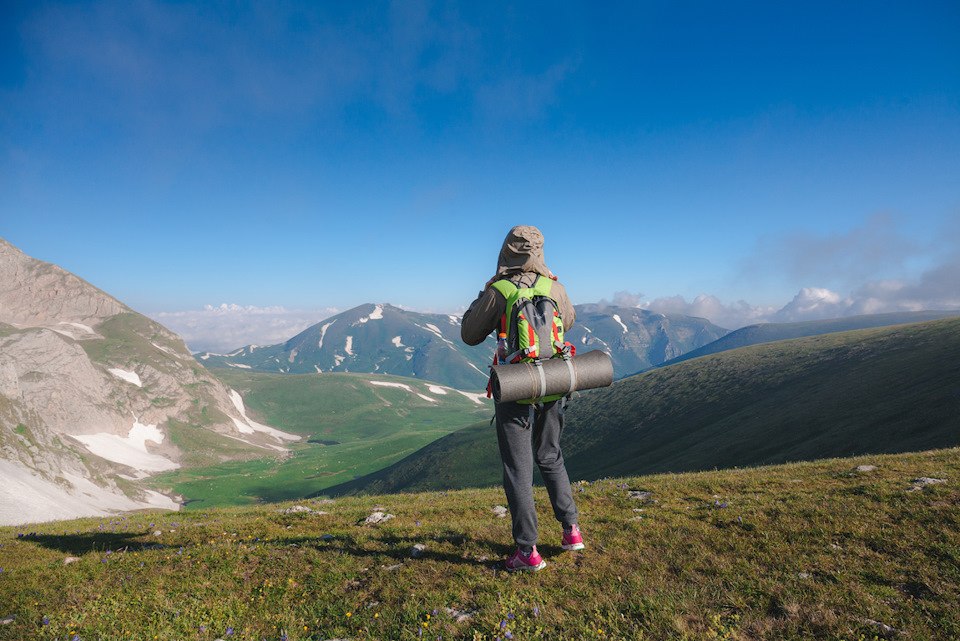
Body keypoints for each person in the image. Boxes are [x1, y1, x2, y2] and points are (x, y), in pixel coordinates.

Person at [461, 225, 584, 572]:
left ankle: (527, 551)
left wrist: (485, 294)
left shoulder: (499, 290)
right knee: (550, 454)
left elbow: (469, 333)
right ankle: (570, 530)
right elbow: (569, 322)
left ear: (506, 251)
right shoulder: (554, 287)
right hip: (555, 381)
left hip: (516, 383)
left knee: (518, 467)